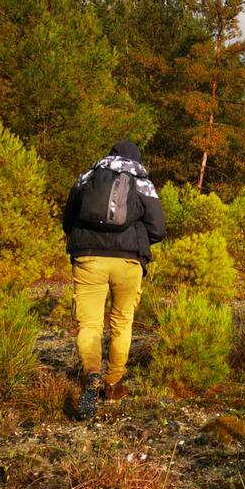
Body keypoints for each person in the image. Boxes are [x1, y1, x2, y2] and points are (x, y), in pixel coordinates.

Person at [62, 140, 166, 420]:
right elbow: (159, 229)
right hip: (128, 261)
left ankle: (91, 374)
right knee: (122, 322)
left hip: (88, 258)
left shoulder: (88, 176)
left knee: (89, 323)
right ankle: (114, 383)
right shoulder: (142, 181)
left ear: (110, 154)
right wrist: (137, 239)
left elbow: (67, 219)